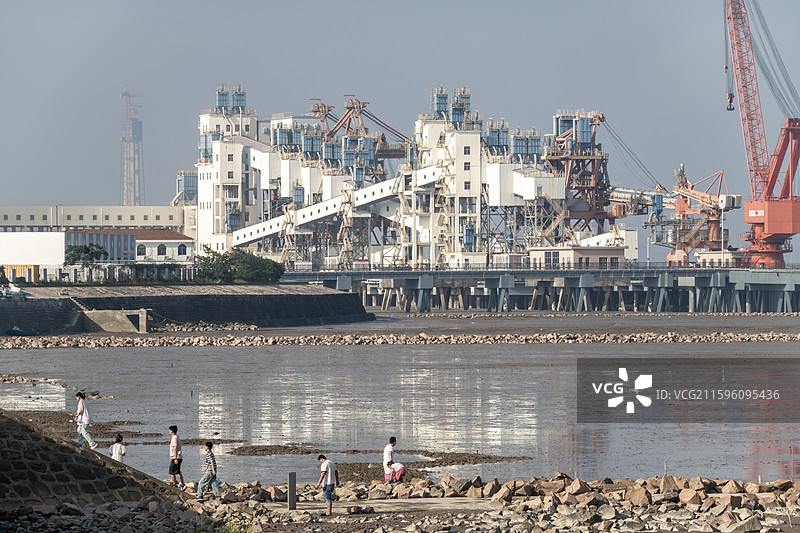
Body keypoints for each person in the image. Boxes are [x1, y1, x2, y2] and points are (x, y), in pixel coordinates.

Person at [168, 425, 186, 489]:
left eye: (169, 430)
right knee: (178, 471)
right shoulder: (177, 437)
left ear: (172, 431)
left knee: (171, 472)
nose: (169, 431)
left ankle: (174, 485)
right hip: (178, 457)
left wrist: (175, 458)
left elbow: (175, 448)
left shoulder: (174, 438)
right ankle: (183, 484)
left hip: (176, 457)